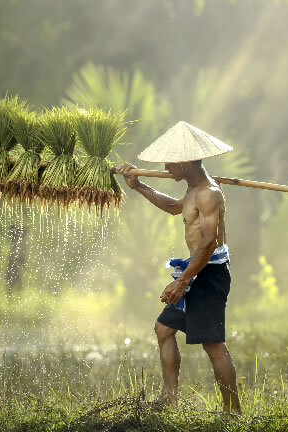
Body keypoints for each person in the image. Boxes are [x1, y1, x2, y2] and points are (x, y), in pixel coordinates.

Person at [116, 121, 241, 416]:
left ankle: (233, 411)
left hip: (208, 273)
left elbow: (209, 243)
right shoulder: (193, 189)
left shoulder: (209, 192)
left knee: (213, 344)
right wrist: (139, 186)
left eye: (170, 163)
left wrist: (182, 281)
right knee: (163, 329)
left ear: (185, 162)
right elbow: (175, 208)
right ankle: (170, 399)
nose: (166, 167)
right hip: (194, 271)